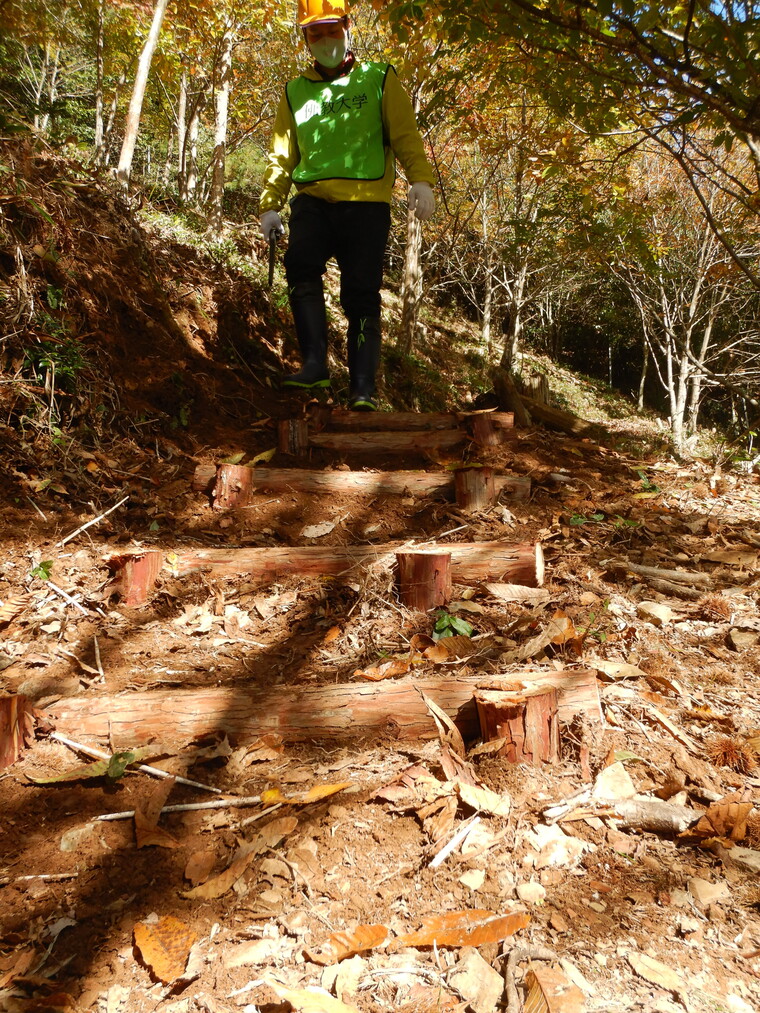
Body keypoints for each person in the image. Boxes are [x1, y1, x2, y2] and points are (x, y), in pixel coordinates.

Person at [259, 0, 436, 411]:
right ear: (304, 38)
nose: (324, 40)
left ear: (346, 27)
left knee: (361, 293)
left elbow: (405, 134)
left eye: (331, 30)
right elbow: (281, 154)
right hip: (313, 200)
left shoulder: (379, 78)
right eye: (314, 33)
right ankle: (314, 363)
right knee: (301, 267)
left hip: (367, 206)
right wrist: (270, 205)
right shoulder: (294, 91)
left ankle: (362, 389)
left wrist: (421, 179)